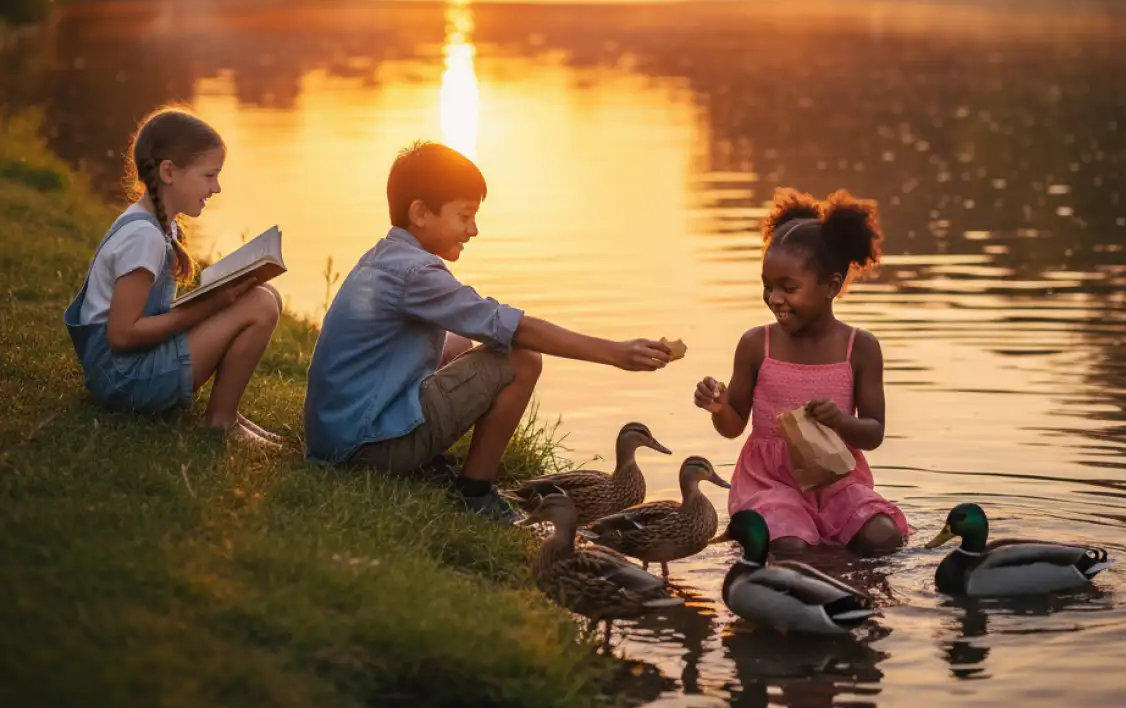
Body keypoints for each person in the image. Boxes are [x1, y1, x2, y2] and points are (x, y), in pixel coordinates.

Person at [303, 140, 672, 522]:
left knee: (461, 340)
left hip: (335, 437)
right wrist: (614, 353)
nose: (473, 229)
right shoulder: (417, 275)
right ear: (421, 213)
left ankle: (425, 460)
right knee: (521, 358)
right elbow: (512, 328)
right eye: (464, 216)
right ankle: (474, 492)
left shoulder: (385, 256)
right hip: (365, 449)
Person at [694, 188, 908, 555]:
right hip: (769, 483)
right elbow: (733, 426)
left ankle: (849, 598)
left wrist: (840, 421)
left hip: (837, 480)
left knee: (883, 537)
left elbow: (873, 433)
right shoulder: (755, 345)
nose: (774, 298)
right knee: (789, 544)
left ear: (832, 286)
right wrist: (718, 407)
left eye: (788, 288)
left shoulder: (861, 348)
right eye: (767, 286)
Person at [64, 107, 282, 445]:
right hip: (124, 379)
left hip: (127, 367)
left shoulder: (160, 225)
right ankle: (220, 421)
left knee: (265, 296)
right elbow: (122, 335)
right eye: (209, 176)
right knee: (261, 306)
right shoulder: (144, 237)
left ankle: (228, 415)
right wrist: (210, 306)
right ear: (169, 171)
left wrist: (214, 299)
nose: (217, 188)